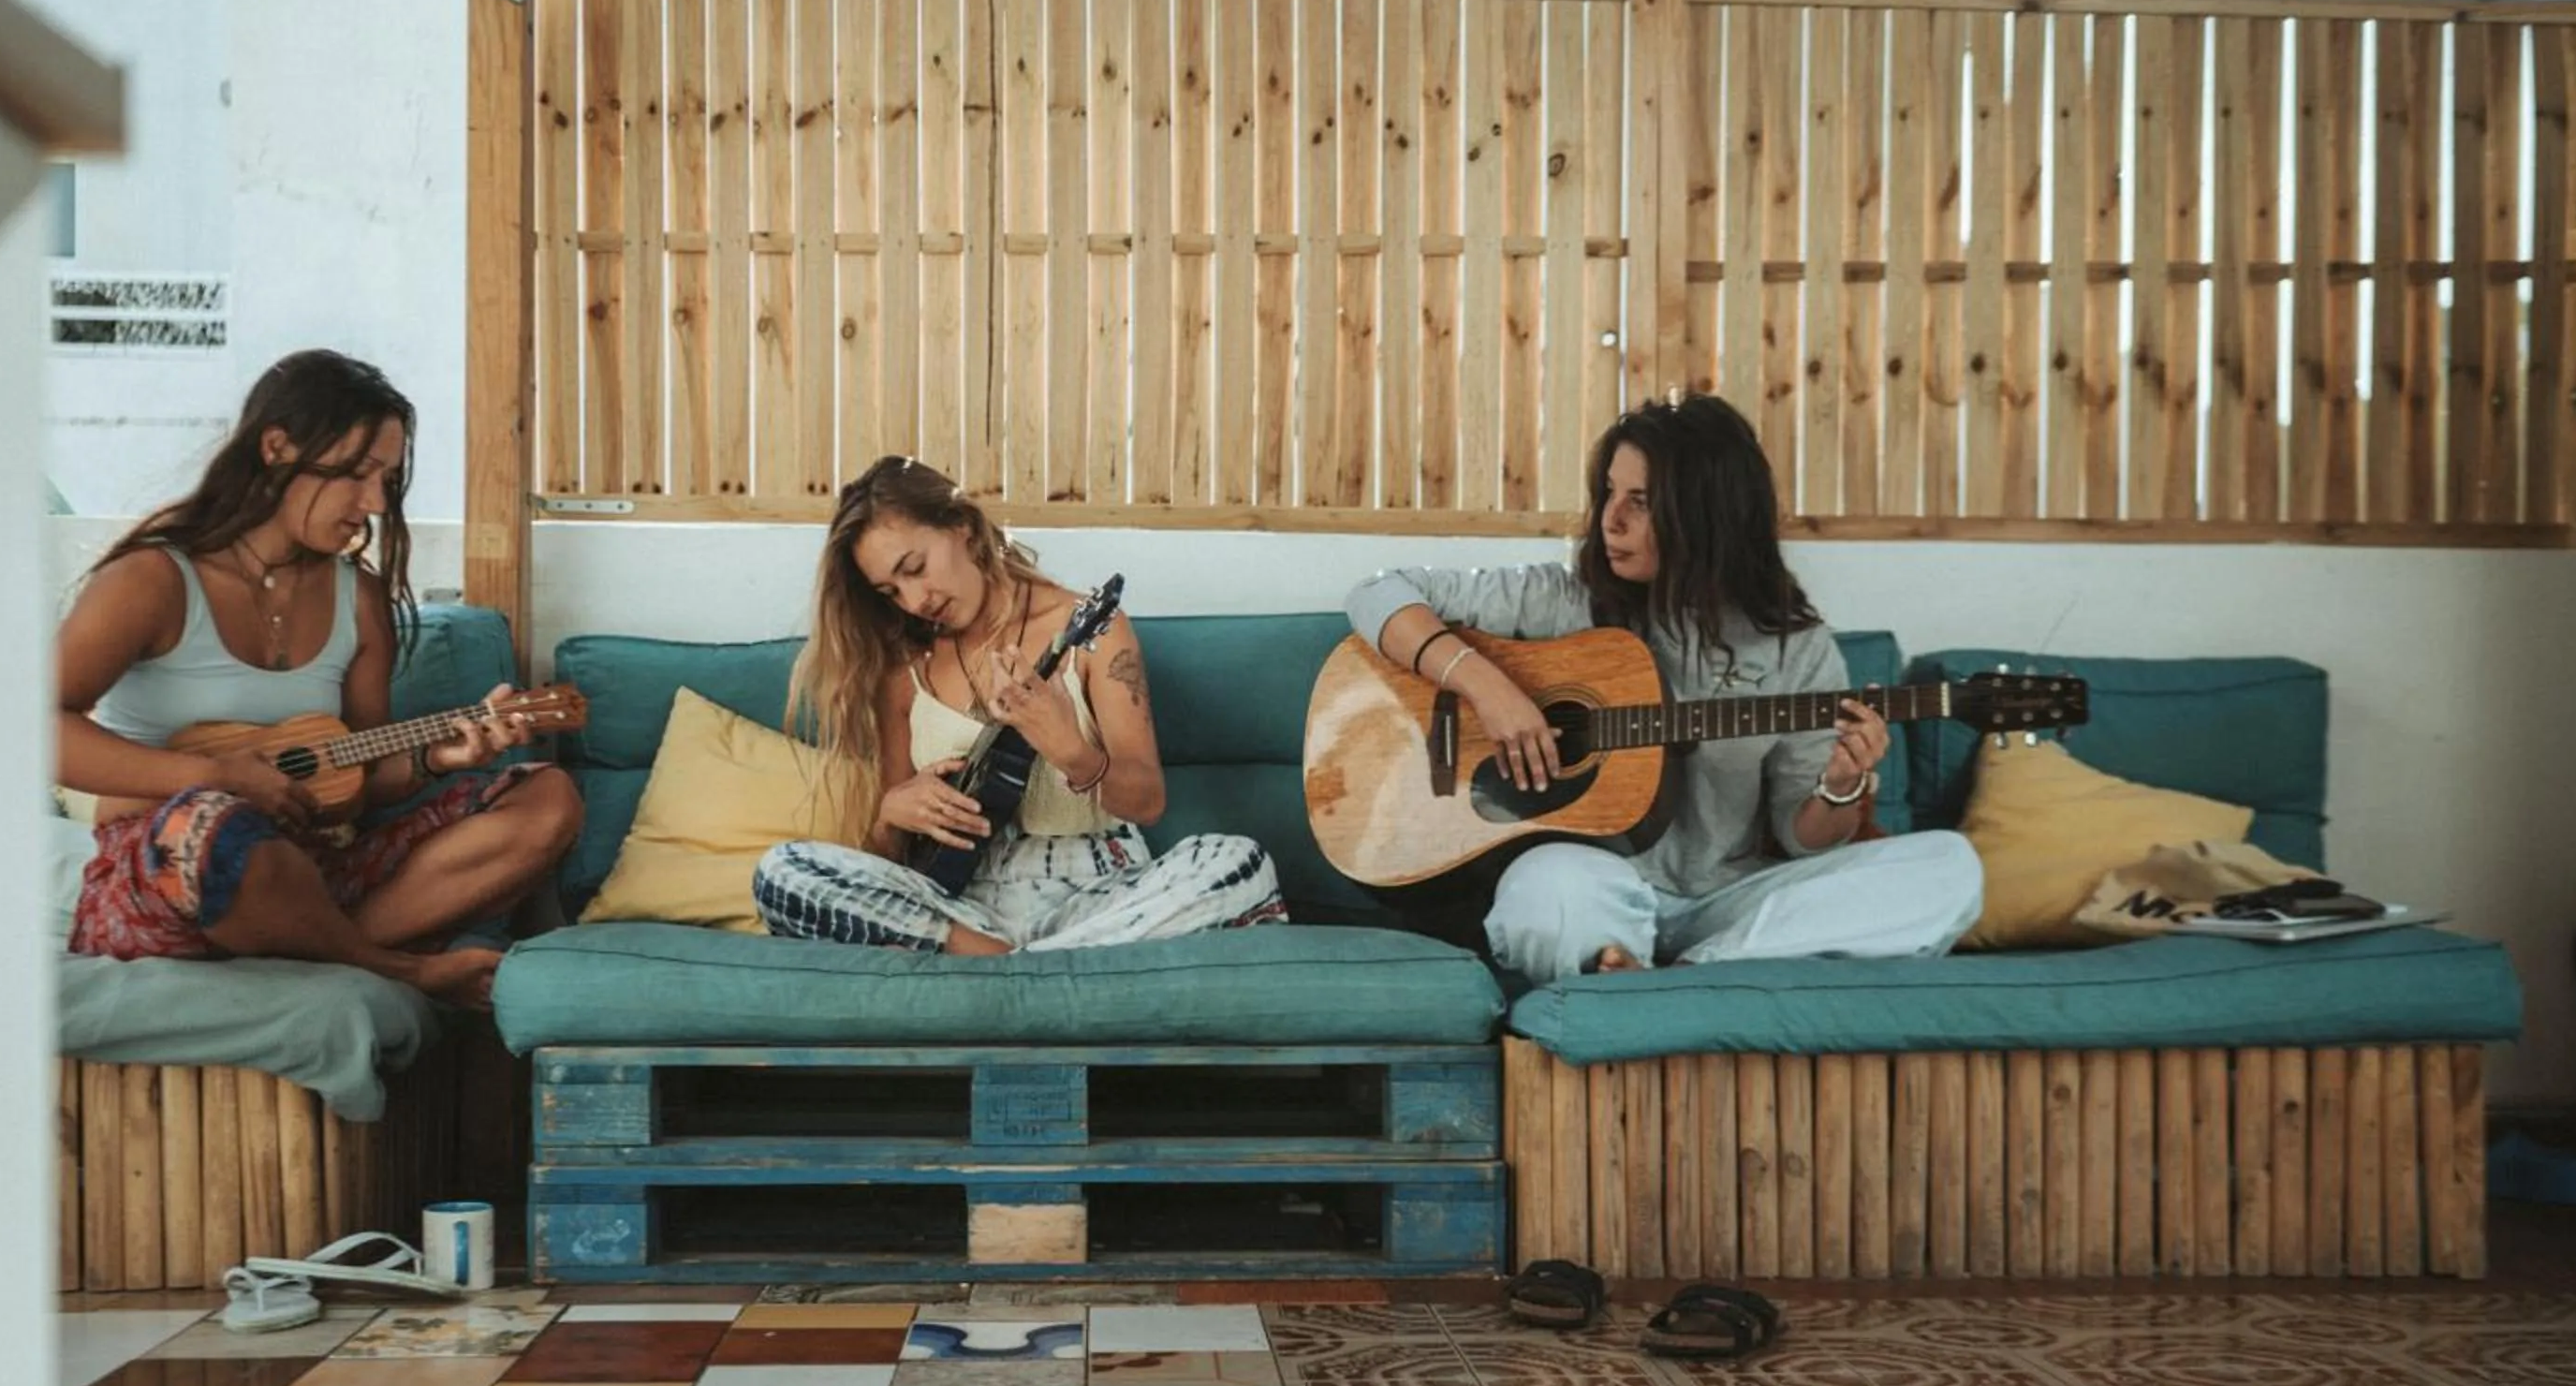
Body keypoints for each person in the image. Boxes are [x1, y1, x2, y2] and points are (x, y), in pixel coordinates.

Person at [1344, 392, 1981, 986]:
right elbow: (1378, 592)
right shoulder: (1563, 600)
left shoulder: (1796, 646)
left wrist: (1840, 784)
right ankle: (1641, 964)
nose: (1610, 521)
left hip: (1729, 903)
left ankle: (1679, 979)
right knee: (1548, 889)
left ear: (1706, 516)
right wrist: (1487, 688)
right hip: (1601, 887)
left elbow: (1801, 835)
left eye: (1640, 502)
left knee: (1949, 870)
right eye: (1609, 493)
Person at [55, 349, 582, 1007]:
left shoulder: (358, 600)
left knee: (546, 797)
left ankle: (307, 943)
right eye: (357, 474)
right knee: (220, 830)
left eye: (387, 479)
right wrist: (215, 777)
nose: (374, 503)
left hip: (313, 866)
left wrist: (433, 757)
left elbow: (352, 784)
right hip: (170, 869)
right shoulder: (153, 581)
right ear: (277, 447)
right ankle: (393, 968)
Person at [756, 454, 1285, 953]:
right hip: (963, 913)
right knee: (782, 872)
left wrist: (1069, 748)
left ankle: (1016, 972)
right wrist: (891, 816)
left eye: (915, 567)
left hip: (1102, 898)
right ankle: (1031, 969)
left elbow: (1146, 801)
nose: (916, 600)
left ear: (961, 525)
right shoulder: (904, 671)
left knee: (1238, 865)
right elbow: (890, 872)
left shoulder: (1092, 630)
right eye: (891, 591)